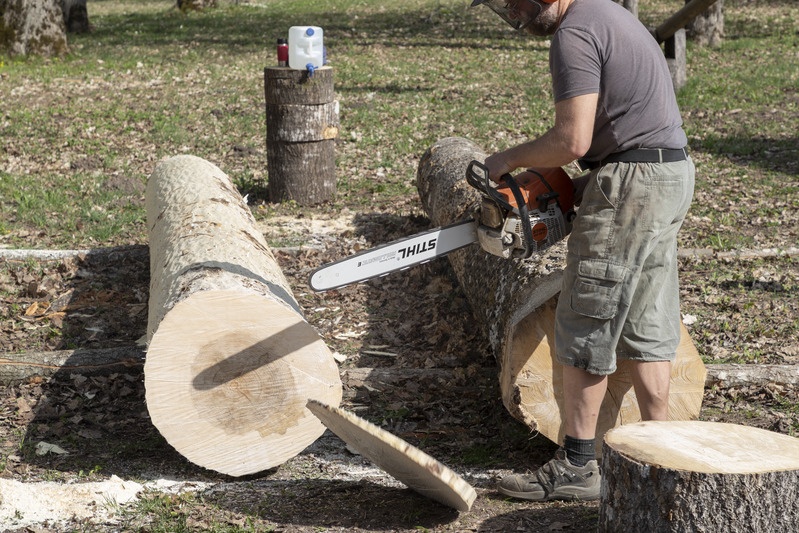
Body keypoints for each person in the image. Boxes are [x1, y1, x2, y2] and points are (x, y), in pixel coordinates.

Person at [470, 0, 695, 501]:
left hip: (632, 180)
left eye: (515, 2)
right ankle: (663, 452)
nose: (514, 13)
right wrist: (580, 187)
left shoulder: (574, 33)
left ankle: (576, 463)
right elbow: (623, 129)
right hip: (669, 171)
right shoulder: (608, 14)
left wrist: (507, 159)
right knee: (646, 315)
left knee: (586, 313)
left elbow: (572, 139)